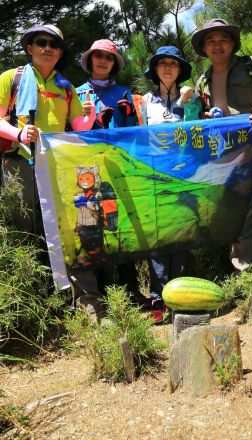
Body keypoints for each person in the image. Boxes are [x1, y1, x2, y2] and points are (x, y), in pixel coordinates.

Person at [191, 18, 252, 274]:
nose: (217, 45)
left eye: (223, 39)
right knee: (237, 218)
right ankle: (245, 276)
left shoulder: (251, 65)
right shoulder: (202, 81)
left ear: (233, 43)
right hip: (229, 159)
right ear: (204, 48)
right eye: (210, 41)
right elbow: (200, 117)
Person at [0, 24, 95, 237]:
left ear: (60, 52)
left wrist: (89, 115)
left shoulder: (66, 87)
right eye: (41, 43)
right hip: (19, 161)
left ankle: (51, 267)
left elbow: (79, 126)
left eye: (54, 44)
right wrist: (19, 134)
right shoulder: (11, 78)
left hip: (55, 163)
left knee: (55, 222)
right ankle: (24, 268)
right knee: (20, 220)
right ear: (30, 48)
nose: (48, 48)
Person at [73, 38, 146, 314]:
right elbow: (71, 132)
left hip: (119, 168)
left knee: (122, 225)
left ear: (114, 63)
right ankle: (101, 292)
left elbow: (135, 133)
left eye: (108, 57)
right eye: (98, 56)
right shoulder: (76, 93)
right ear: (90, 60)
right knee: (93, 228)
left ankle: (130, 289)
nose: (103, 61)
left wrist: (127, 117)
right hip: (87, 170)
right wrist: (93, 125)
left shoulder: (125, 92)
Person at [141, 45, 201, 322]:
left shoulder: (193, 97)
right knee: (158, 236)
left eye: (173, 64)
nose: (167, 68)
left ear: (180, 70)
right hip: (154, 175)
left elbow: (196, 132)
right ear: (155, 69)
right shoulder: (144, 101)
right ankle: (158, 297)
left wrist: (189, 104)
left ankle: (180, 295)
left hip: (184, 174)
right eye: (162, 63)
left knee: (182, 232)